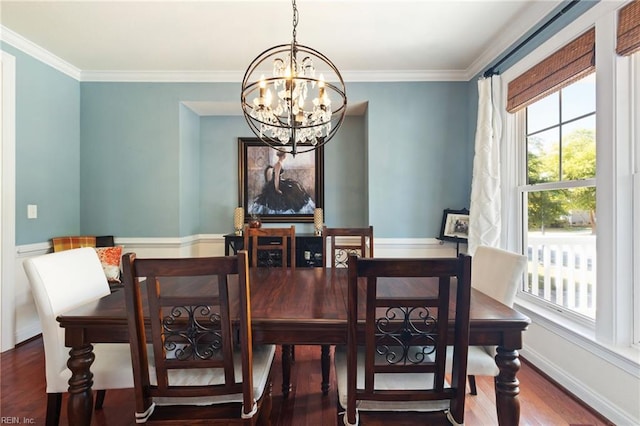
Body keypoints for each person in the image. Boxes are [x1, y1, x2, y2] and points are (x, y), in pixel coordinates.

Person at [250, 151, 315, 214]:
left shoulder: (280, 163)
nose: (285, 156)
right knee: (290, 191)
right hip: (276, 183)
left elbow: (278, 177)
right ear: (283, 155)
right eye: (285, 154)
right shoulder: (278, 164)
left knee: (295, 187)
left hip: (279, 181)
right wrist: (277, 189)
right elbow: (276, 178)